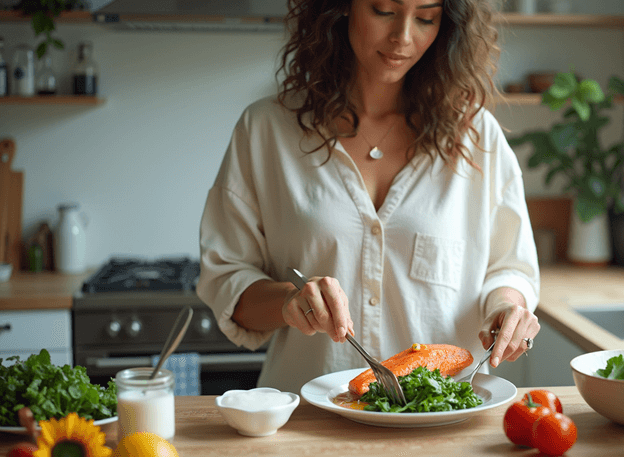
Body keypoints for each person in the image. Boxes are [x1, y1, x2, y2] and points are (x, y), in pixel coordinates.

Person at [196, 0, 540, 394]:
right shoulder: (266, 130)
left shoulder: (477, 136)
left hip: (440, 421)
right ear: (342, 7)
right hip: (307, 422)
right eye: (383, 10)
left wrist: (506, 309)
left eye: (426, 18)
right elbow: (228, 283)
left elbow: (509, 266)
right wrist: (290, 301)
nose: (403, 37)